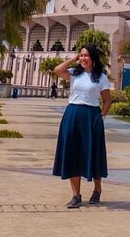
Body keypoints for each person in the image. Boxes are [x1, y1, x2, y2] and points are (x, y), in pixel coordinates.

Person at [52, 44, 111, 208]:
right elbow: (57, 70)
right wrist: (73, 58)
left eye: (87, 56)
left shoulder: (101, 77)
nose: (84, 58)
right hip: (72, 114)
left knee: (93, 152)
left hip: (91, 116)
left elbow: (107, 100)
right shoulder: (73, 73)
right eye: (82, 55)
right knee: (72, 153)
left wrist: (102, 116)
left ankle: (97, 189)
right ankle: (76, 195)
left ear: (93, 58)